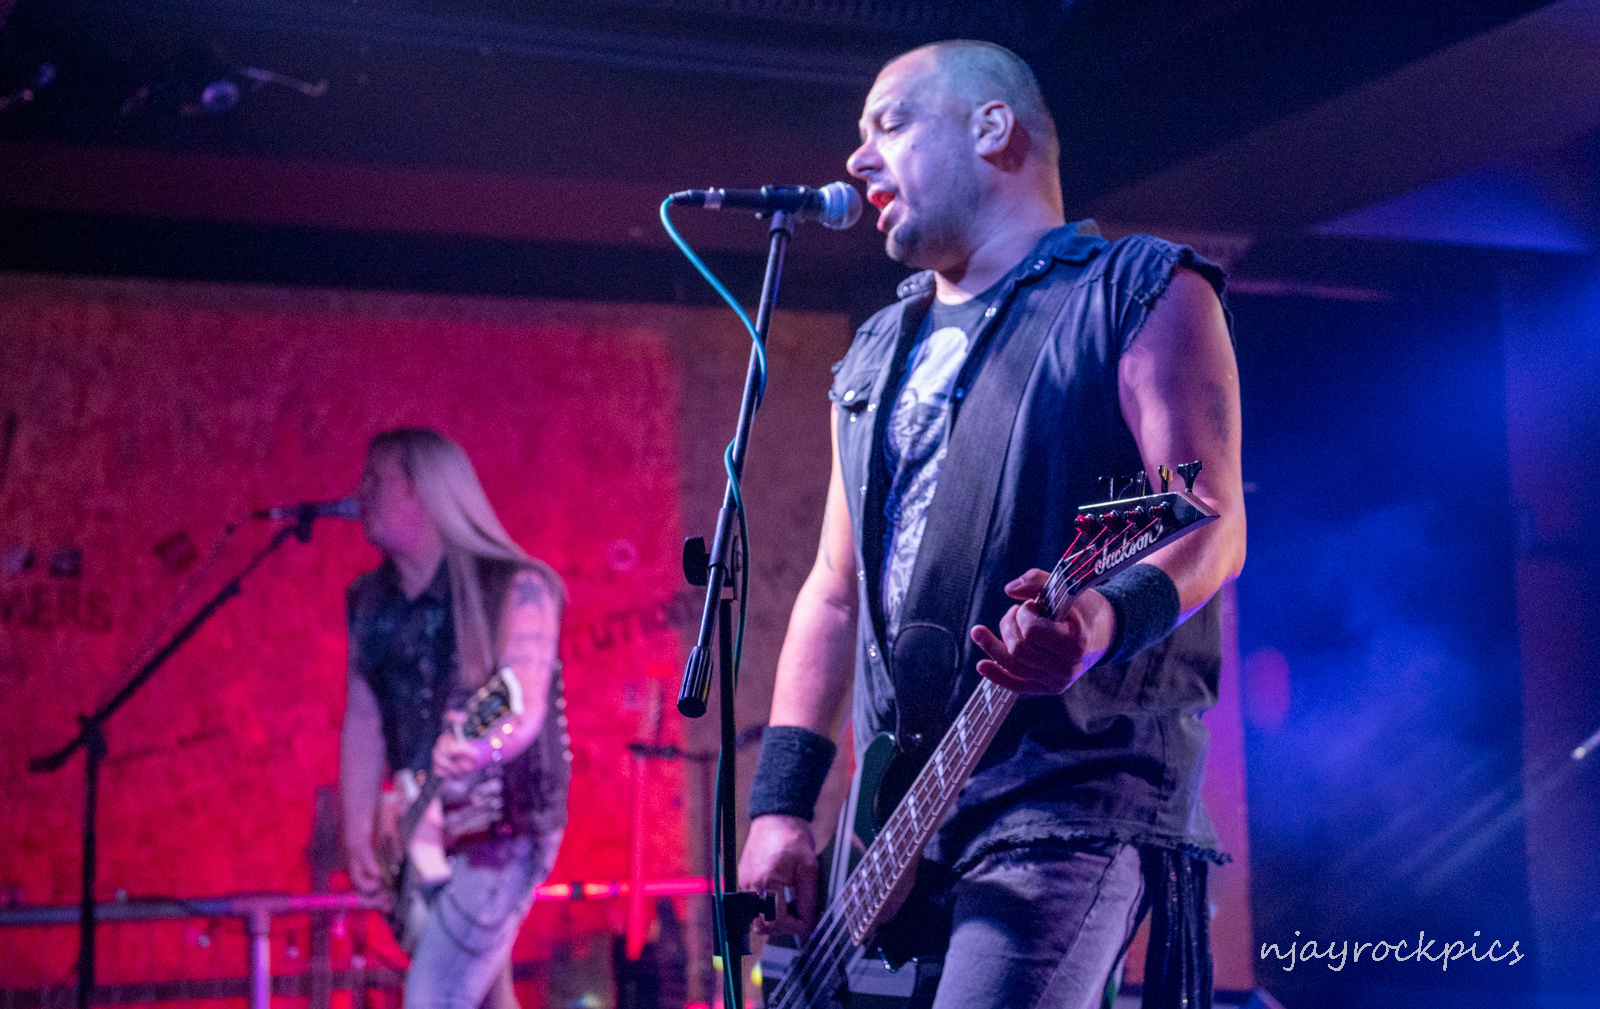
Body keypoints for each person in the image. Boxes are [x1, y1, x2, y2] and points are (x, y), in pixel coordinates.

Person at [737, 40, 1247, 1009]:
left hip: (1065, 792)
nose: (857, 158)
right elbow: (834, 592)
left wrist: (1097, 621)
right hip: (894, 813)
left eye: (889, 124)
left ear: (991, 127)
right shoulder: (877, 348)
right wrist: (780, 805)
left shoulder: (1137, 289)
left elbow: (1209, 519)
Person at [339, 428, 570, 1009]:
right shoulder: (369, 601)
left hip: (504, 829)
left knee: (434, 995)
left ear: (424, 490)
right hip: (426, 830)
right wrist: (358, 827)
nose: (360, 493)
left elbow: (521, 700)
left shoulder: (516, 586)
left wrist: (481, 747)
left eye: (376, 479)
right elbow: (364, 718)